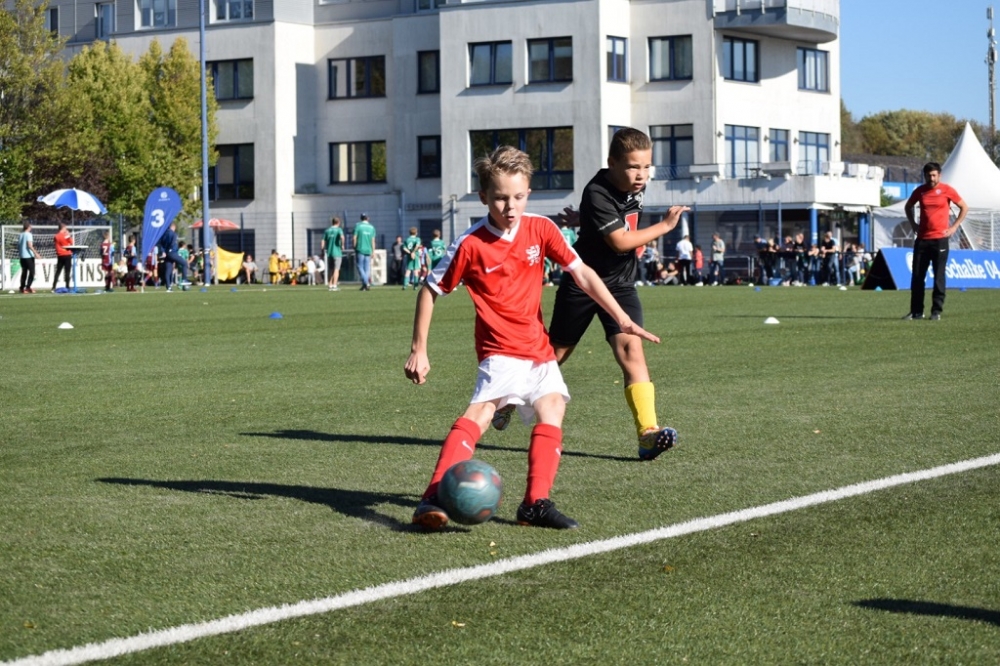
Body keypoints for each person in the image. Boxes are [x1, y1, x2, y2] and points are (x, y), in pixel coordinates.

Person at [405, 145, 661, 531]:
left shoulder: (541, 229)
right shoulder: (470, 243)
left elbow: (583, 273)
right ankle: (432, 496)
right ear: (483, 197)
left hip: (537, 347)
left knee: (553, 406)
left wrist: (622, 318)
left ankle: (534, 504)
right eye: (500, 198)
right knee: (482, 413)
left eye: (519, 197)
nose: (510, 207)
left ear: (529, 193)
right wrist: (419, 350)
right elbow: (430, 289)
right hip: (499, 349)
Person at [495, 128, 686, 462]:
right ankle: (508, 399)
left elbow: (615, 223)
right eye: (632, 167)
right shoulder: (597, 190)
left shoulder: (632, 185)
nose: (641, 175)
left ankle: (647, 434)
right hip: (583, 283)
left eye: (646, 167)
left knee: (632, 351)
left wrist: (583, 219)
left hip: (620, 285)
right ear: (612, 163)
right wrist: (664, 227)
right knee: (555, 354)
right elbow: (620, 241)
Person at [903, 161, 968, 320]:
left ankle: (936, 312)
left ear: (939, 175)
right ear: (924, 176)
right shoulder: (920, 191)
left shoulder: (947, 190)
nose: (931, 178)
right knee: (917, 277)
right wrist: (913, 224)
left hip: (940, 240)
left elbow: (964, 207)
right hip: (922, 240)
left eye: (934, 175)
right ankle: (916, 312)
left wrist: (954, 227)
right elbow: (908, 206)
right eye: (928, 175)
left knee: (938, 276)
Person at [353, 213, 376, 290]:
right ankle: (365, 285)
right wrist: (373, 251)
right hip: (368, 249)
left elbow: (354, 237)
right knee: (367, 268)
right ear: (368, 218)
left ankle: (366, 282)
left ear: (361, 218)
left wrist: (354, 246)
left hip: (360, 248)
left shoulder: (358, 226)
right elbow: (373, 240)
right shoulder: (372, 227)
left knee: (359, 266)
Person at [322, 216, 345, 291]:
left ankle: (330, 285)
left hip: (329, 253)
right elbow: (342, 237)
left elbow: (323, 240)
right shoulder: (339, 230)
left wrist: (322, 249)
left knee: (331, 269)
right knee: (336, 269)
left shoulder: (327, 230)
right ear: (338, 222)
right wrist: (342, 245)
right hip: (337, 252)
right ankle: (335, 285)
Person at [17, 222, 39, 294]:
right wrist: (36, 253)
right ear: (28, 227)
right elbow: (29, 245)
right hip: (28, 256)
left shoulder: (21, 234)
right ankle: (27, 287)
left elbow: (18, 245)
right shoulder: (28, 234)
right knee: (32, 272)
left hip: (22, 256)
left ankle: (22, 288)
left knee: (24, 272)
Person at [52, 222, 73, 291]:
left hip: (60, 255)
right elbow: (71, 242)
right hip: (67, 254)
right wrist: (68, 235)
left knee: (58, 271)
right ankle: (67, 286)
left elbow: (55, 242)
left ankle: (53, 286)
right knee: (67, 271)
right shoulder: (66, 235)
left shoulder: (56, 236)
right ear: (63, 228)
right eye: (65, 228)